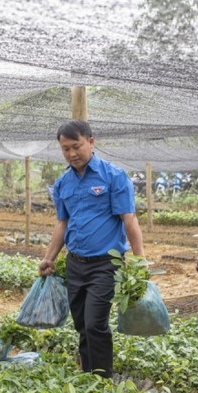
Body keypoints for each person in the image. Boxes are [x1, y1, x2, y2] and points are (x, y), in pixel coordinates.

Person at [38, 120, 144, 378]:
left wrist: (139, 260)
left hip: (106, 264)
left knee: (96, 322)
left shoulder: (113, 176)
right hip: (75, 263)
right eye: (65, 149)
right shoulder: (63, 183)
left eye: (76, 146)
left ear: (91, 142)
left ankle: (102, 376)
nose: (72, 154)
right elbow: (62, 223)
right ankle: (88, 374)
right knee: (81, 324)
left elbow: (129, 219)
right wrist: (49, 258)